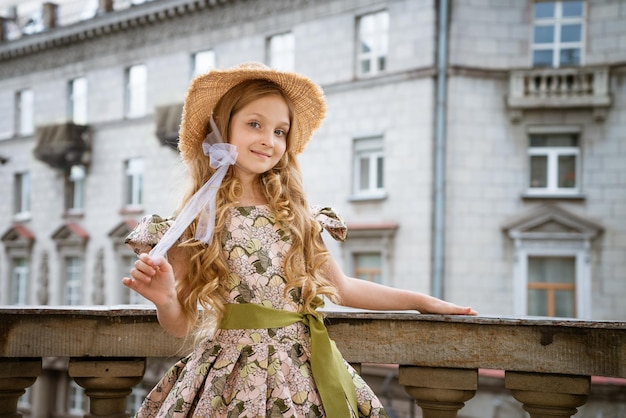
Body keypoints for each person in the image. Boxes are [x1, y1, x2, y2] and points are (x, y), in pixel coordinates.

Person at [123, 62, 477, 418]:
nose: (268, 139)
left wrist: (421, 301)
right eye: (254, 124)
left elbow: (343, 289)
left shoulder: (297, 214)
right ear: (221, 126)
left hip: (301, 374)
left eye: (280, 131)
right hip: (227, 380)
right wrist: (166, 299)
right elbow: (181, 324)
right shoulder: (198, 219)